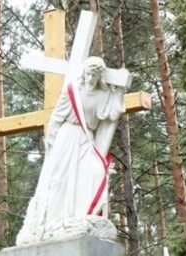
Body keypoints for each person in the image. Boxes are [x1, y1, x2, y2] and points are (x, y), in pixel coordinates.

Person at [16, 56, 130, 245]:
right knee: (60, 178)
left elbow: (111, 112)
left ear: (100, 76)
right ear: (84, 73)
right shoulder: (72, 92)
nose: (91, 77)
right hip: (67, 136)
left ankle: (80, 214)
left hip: (86, 139)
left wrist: (119, 90)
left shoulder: (102, 95)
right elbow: (56, 118)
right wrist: (51, 143)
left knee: (94, 171)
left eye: (95, 74)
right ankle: (54, 219)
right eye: (89, 73)